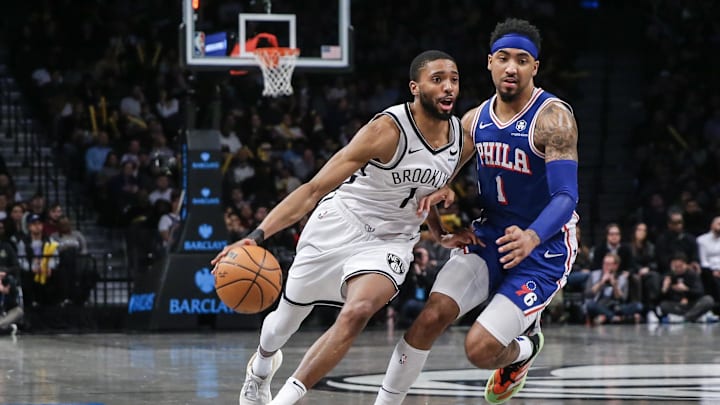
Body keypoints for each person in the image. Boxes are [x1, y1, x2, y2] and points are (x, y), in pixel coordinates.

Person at [212, 50, 473, 405]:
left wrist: (440, 232)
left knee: (358, 311)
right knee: (282, 325)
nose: (448, 87)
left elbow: (425, 194)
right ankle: (260, 368)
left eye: (454, 79)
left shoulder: (462, 140)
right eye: (437, 79)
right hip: (341, 223)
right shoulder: (385, 131)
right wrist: (255, 236)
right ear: (415, 87)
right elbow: (314, 189)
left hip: (391, 242)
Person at [375, 18, 579, 405]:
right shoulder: (473, 121)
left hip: (543, 249)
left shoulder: (553, 119)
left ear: (535, 67)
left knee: (479, 350)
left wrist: (532, 236)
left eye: (522, 60)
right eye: (503, 58)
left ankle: (524, 350)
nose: (512, 67)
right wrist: (437, 226)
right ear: (490, 62)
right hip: (490, 237)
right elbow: (434, 182)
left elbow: (567, 196)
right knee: (430, 316)